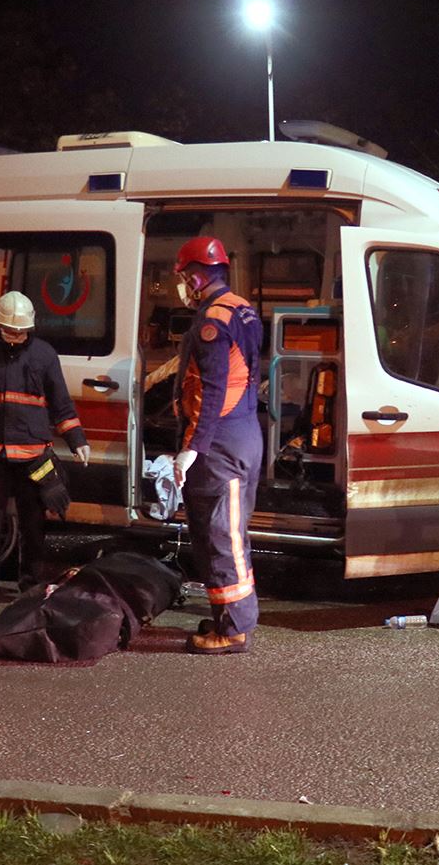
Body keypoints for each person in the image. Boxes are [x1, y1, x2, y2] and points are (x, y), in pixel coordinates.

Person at [0, 291, 91, 593]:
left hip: (33, 457)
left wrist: (77, 439)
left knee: (33, 527)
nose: (16, 337)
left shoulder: (44, 355)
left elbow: (61, 403)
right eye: (10, 331)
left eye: (20, 332)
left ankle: (30, 585)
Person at [172, 234, 263, 654]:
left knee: (219, 536)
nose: (182, 285)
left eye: (182, 277)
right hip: (244, 432)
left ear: (195, 276)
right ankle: (231, 616)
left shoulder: (212, 320)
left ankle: (233, 631)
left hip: (221, 441)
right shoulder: (242, 309)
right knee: (230, 533)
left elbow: (213, 389)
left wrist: (193, 447)